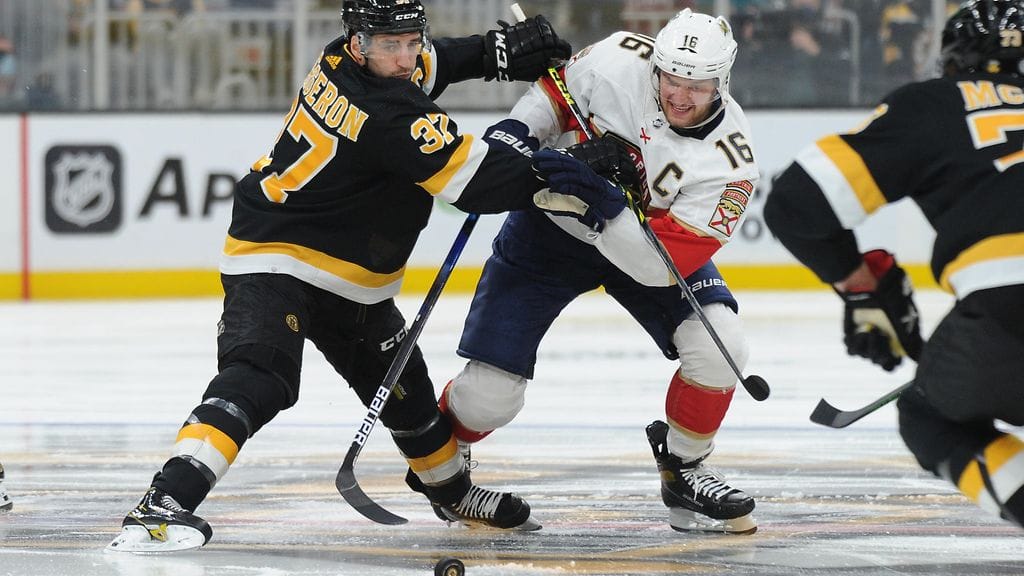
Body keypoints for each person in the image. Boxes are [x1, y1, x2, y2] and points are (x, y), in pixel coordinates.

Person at [106, 0, 578, 553]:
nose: (404, 58)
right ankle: (162, 504)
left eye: (410, 42)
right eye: (389, 45)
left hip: (351, 278)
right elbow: (482, 184)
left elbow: (436, 62)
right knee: (261, 378)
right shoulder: (391, 117)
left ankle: (450, 492)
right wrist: (580, 166)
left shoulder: (345, 61)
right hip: (277, 258)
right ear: (359, 43)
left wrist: (495, 55)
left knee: (410, 397)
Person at [440, 8, 761, 534]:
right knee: (489, 397)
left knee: (720, 345)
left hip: (642, 255)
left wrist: (606, 203)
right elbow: (552, 95)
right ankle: (444, 467)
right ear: (655, 65)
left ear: (722, 81)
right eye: (670, 79)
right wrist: (519, 133)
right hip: (548, 236)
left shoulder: (731, 162)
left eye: (696, 86)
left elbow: (658, 268)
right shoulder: (619, 59)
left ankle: (684, 466)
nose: (679, 95)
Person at [764, 0, 1024, 528]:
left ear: (953, 60)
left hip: (1008, 314)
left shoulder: (938, 104)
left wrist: (864, 285)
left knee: (931, 418)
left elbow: (796, 201)